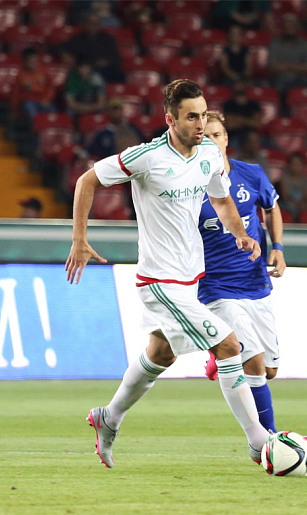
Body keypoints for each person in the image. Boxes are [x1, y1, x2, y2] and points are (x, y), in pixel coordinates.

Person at [65, 79, 272, 469]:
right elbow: (86, 180)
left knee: (161, 354)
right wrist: (79, 239)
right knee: (229, 347)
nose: (200, 124)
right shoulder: (147, 157)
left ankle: (109, 417)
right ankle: (259, 441)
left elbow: (221, 199)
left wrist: (240, 234)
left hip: (190, 278)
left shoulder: (209, 154)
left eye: (203, 115)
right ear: (170, 120)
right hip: (159, 282)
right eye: (191, 117)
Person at [198, 111, 284, 432]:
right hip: (215, 288)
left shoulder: (251, 174)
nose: (211, 141)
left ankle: (220, 356)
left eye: (216, 135)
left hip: (255, 281)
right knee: (254, 363)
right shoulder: (189, 186)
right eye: (205, 136)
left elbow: (271, 208)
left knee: (270, 370)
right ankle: (268, 440)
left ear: (226, 138)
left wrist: (278, 247)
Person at [61, 12, 124, 83]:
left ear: (99, 25)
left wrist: (106, 62)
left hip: (105, 71)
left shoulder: (108, 39)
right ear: (85, 23)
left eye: (96, 23)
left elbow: (116, 59)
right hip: (84, 71)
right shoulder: (78, 39)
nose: (93, 26)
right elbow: (58, 48)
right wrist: (63, 53)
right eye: (90, 23)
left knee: (119, 76)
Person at [267, 14, 307, 97]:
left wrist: (287, 66)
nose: (289, 29)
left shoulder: (305, 44)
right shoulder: (275, 44)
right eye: (287, 27)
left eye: (292, 26)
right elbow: (272, 66)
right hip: (281, 79)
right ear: (283, 28)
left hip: (300, 79)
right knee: (278, 87)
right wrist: (298, 67)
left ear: (297, 27)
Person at [10, 48, 56, 123]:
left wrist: (47, 98)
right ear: (25, 62)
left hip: (43, 100)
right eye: (31, 62)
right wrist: (15, 110)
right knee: (32, 111)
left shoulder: (44, 72)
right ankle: (36, 129)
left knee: (52, 112)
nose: (34, 64)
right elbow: (16, 94)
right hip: (28, 101)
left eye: (36, 61)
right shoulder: (20, 75)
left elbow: (50, 88)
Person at [222, 80, 261, 147]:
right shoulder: (228, 104)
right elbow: (229, 125)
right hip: (234, 136)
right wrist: (248, 121)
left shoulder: (254, 105)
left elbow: (257, 124)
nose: (239, 87)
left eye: (240, 84)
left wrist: (238, 120)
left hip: (250, 135)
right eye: (237, 84)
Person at [276, 152, 307, 222]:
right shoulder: (284, 180)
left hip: (302, 204)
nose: (296, 167)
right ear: (289, 165)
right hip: (288, 204)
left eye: (299, 164)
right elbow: (286, 197)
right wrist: (295, 204)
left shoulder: (305, 180)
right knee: (291, 208)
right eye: (294, 164)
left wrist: (303, 204)